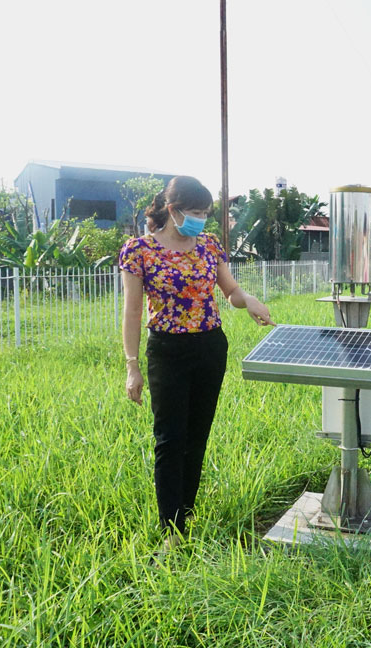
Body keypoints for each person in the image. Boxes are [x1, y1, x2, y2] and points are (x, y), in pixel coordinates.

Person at [118, 175, 273, 552]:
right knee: (170, 440)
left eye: (206, 212)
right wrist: (132, 365)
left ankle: (185, 512)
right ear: (173, 210)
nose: (202, 219)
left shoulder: (208, 246)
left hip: (209, 348)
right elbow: (133, 311)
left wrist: (248, 299)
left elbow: (230, 291)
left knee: (197, 437)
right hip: (167, 351)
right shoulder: (139, 251)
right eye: (196, 212)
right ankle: (171, 528)